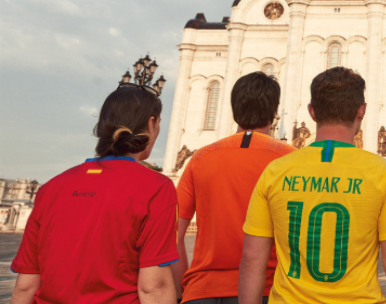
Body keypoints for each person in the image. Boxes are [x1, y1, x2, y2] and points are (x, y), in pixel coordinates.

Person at [239, 67, 386, 304]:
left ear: (312, 112)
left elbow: (252, 258)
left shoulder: (276, 171)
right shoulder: (381, 172)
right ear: (361, 111)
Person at [10, 84, 179, 304]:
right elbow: (153, 287)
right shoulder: (156, 187)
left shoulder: (51, 187)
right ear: (151, 124)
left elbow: (25, 286)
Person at [173, 72, 295, 304]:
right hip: (267, 290)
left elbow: (172, 234)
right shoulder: (290, 160)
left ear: (234, 108)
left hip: (202, 291)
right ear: (274, 112)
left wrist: (182, 291)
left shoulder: (201, 158)